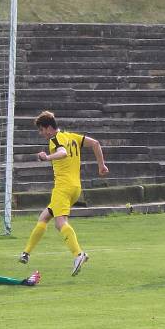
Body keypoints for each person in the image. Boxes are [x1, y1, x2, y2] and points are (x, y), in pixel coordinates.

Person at [19, 110, 109, 276]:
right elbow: (96, 143)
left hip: (62, 187)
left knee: (60, 223)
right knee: (44, 216)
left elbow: (63, 153)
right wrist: (101, 166)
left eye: (41, 130)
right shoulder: (71, 136)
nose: (41, 134)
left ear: (48, 128)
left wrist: (47, 157)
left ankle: (78, 254)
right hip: (75, 187)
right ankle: (26, 253)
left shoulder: (55, 139)